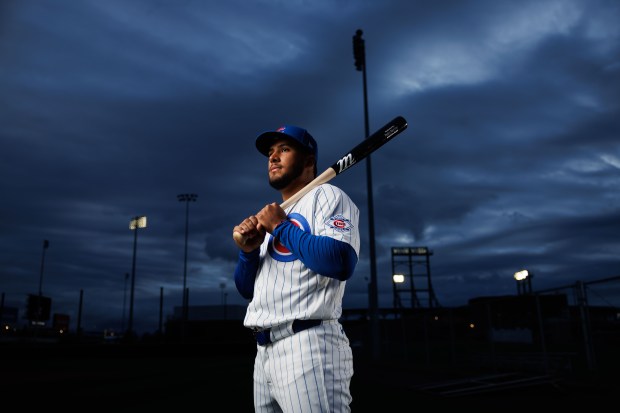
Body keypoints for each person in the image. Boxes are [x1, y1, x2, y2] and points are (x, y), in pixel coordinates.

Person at [232, 124, 361, 412]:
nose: (273, 157)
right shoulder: (274, 216)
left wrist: (280, 227)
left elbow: (340, 261)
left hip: (309, 345)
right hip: (263, 351)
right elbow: (246, 290)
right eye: (270, 152)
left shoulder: (328, 196)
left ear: (309, 161)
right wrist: (248, 253)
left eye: (284, 149)